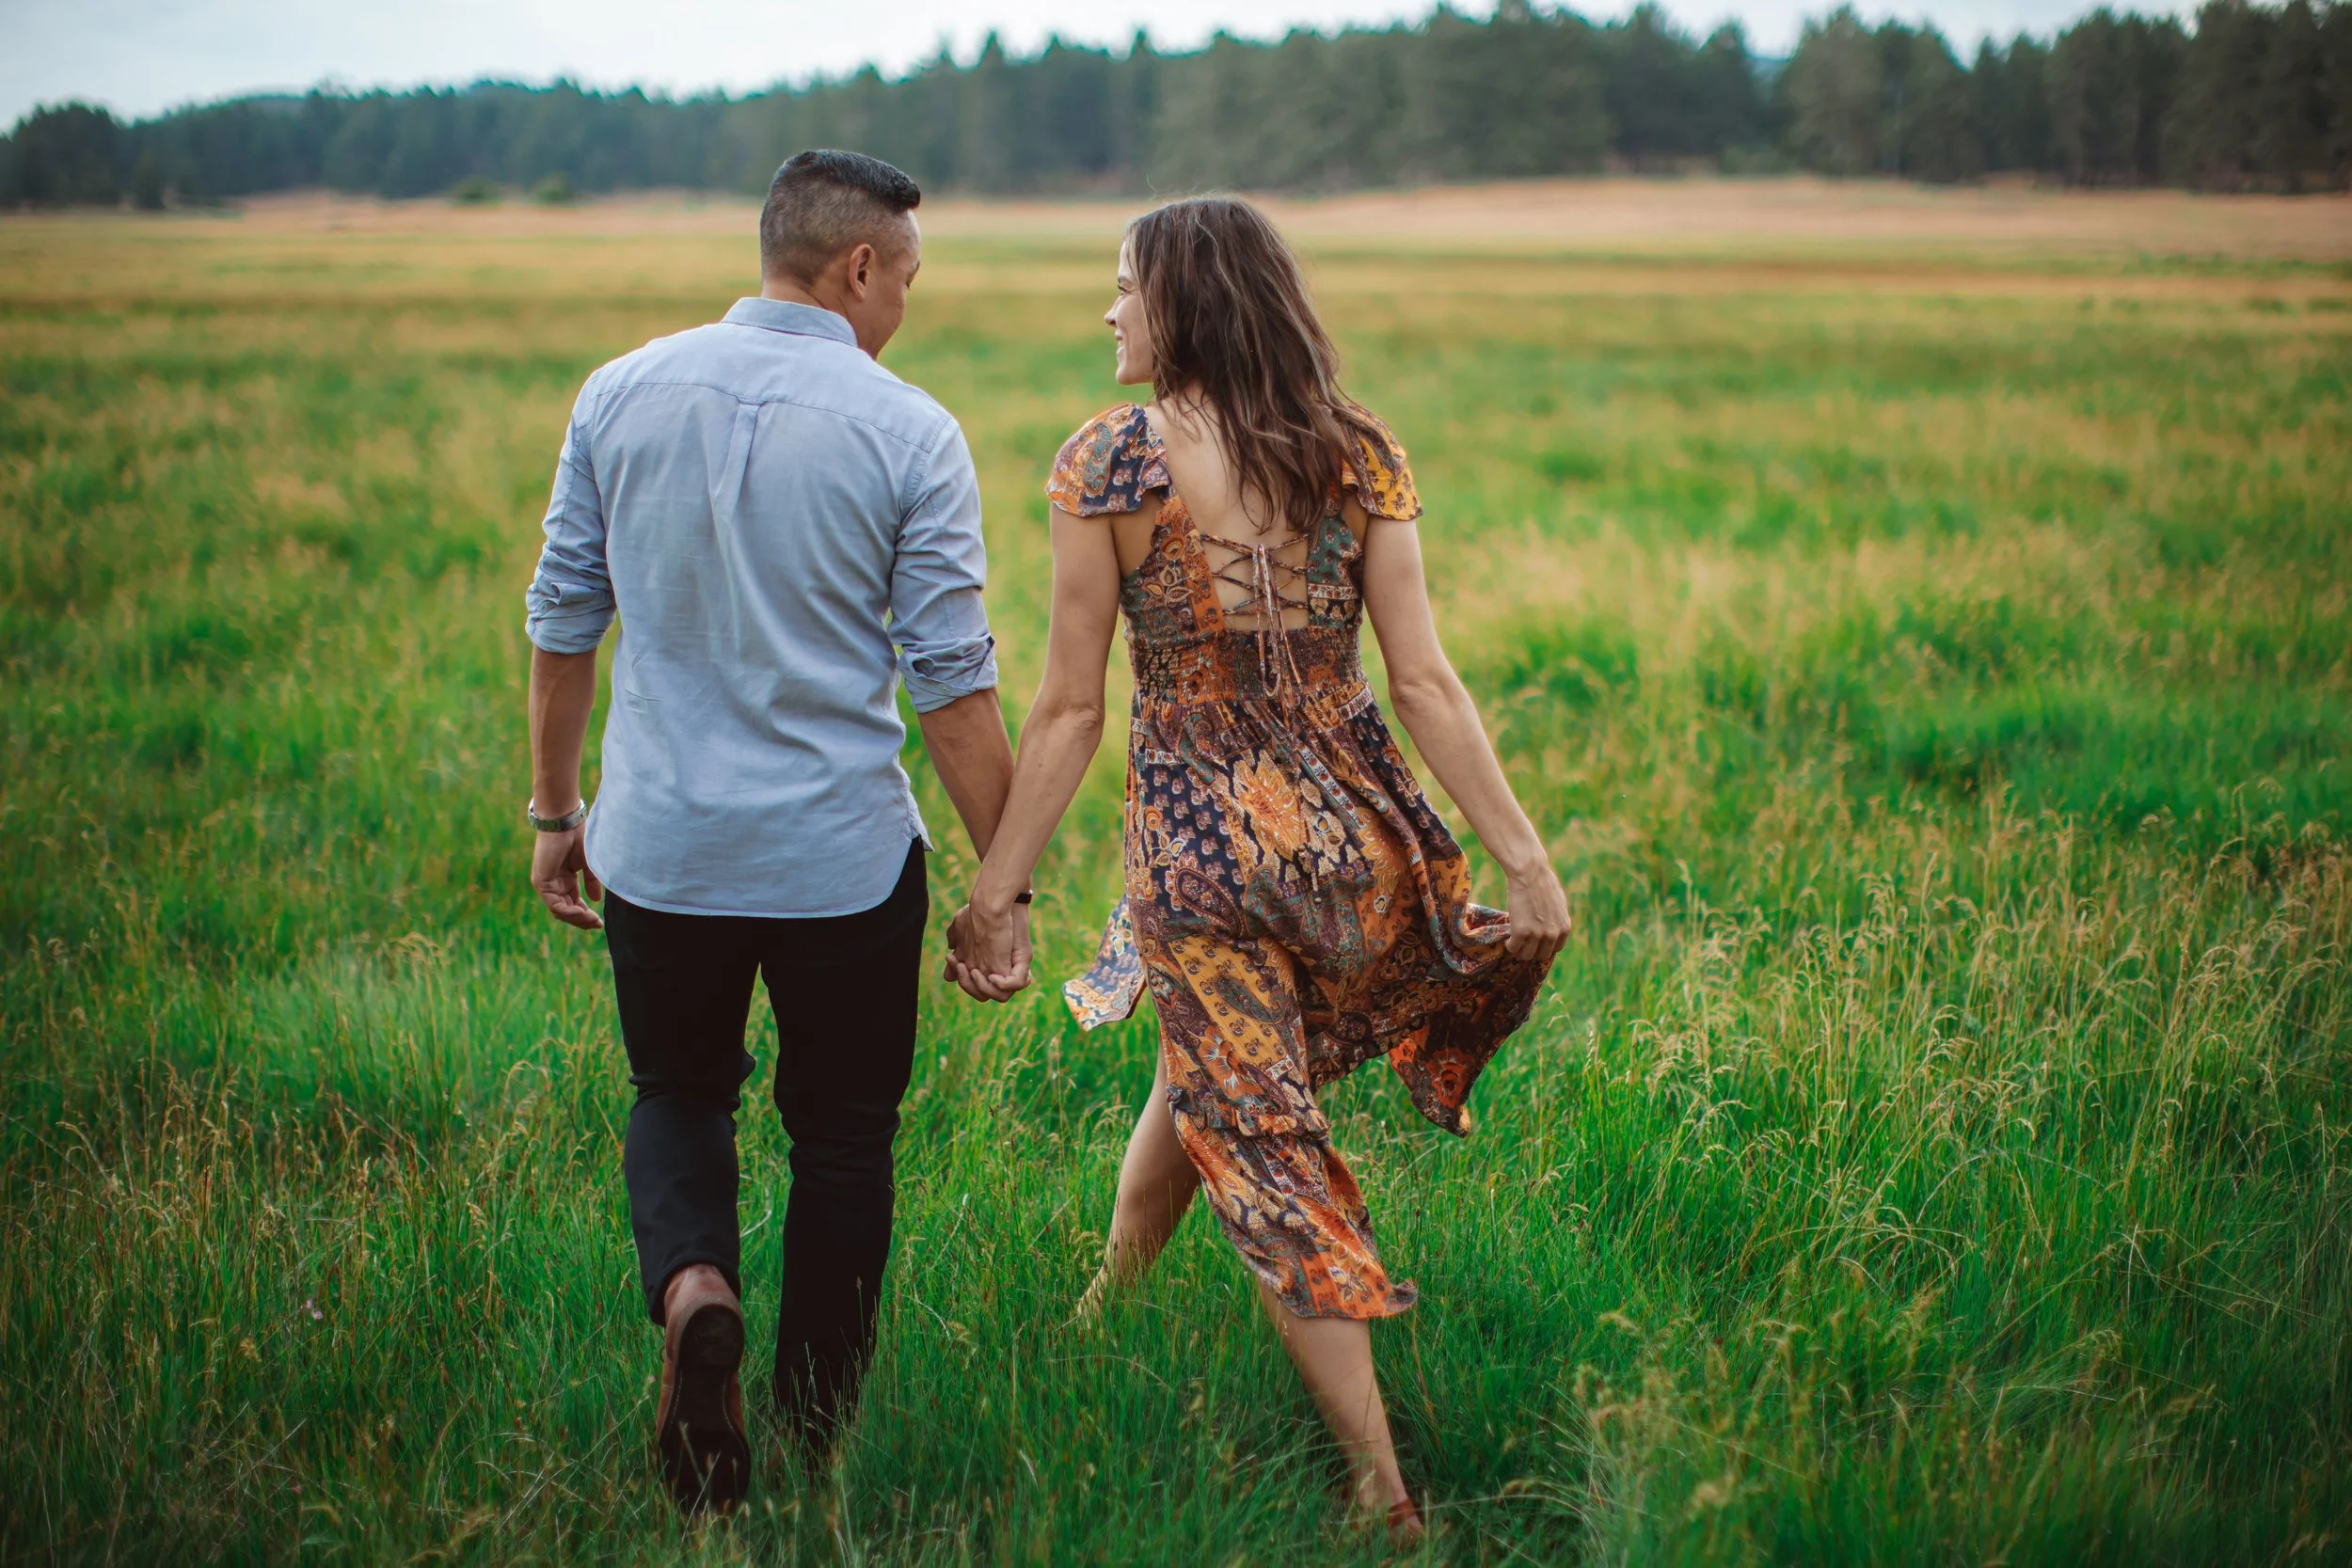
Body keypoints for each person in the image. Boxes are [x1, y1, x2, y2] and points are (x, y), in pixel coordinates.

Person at [946, 196, 1571, 1537]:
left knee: (1264, 1134)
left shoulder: (1111, 464)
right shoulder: (1357, 452)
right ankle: (1106, 1304)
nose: (1109, 311)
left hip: (1202, 861)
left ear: (1183, 301)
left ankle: (1379, 1489)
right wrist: (1523, 861)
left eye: (1125, 286)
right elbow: (1424, 681)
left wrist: (997, 888)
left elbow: (1068, 710)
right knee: (1213, 1073)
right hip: (1353, 845)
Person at [522, 149, 1023, 1513]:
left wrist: (558, 811)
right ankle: (815, 1440)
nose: (905, 304)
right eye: (905, 277)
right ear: (858, 267)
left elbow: (563, 622)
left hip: (663, 847)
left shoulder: (618, 391)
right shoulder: (912, 431)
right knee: (844, 1137)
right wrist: (1005, 883)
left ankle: (696, 1287)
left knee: (678, 1093)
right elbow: (953, 685)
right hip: (839, 862)